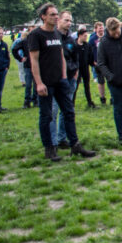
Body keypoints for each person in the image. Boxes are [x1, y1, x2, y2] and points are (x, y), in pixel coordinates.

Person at [27, 3, 95, 161]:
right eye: (52, 14)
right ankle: (49, 148)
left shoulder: (57, 35)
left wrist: (64, 76)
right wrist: (38, 83)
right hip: (46, 82)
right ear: (43, 16)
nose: (55, 17)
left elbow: (61, 57)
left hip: (60, 81)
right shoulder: (37, 35)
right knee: (47, 115)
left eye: (56, 14)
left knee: (69, 112)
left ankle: (75, 145)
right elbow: (34, 61)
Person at [49, 11, 79, 149]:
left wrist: (75, 73)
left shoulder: (70, 39)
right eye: (66, 20)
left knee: (66, 111)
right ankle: (52, 142)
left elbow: (75, 57)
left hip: (70, 79)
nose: (69, 23)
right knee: (53, 111)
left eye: (70, 21)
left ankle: (62, 138)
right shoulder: (52, 37)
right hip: (56, 80)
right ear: (58, 20)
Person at [12, 26, 38, 108]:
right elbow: (14, 49)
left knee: (36, 84)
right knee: (28, 84)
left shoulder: (39, 41)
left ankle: (35, 100)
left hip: (37, 65)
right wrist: (20, 58)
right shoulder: (25, 41)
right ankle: (27, 101)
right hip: (28, 66)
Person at [88, 22, 108, 105]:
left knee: (111, 80)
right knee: (101, 81)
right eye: (99, 28)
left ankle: (112, 98)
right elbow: (89, 51)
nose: (101, 29)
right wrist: (93, 61)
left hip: (108, 63)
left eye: (102, 27)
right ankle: (102, 97)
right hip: (98, 63)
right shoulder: (93, 39)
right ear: (95, 29)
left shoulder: (107, 37)